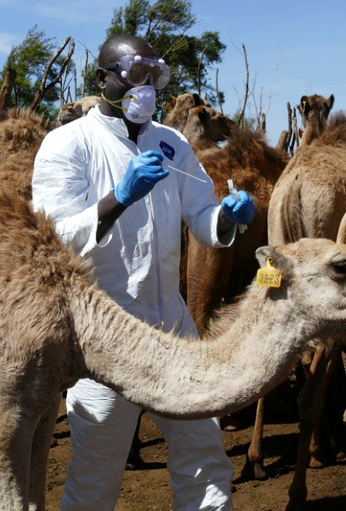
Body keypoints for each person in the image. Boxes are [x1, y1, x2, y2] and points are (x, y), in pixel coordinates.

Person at [32, 34, 255, 511]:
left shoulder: (170, 143)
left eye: (154, 76)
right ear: (102, 79)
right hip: (105, 333)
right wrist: (119, 197)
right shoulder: (67, 145)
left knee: (205, 460)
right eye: (135, 74)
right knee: (96, 477)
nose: (147, 87)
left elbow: (201, 215)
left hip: (173, 328)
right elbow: (53, 238)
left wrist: (226, 219)